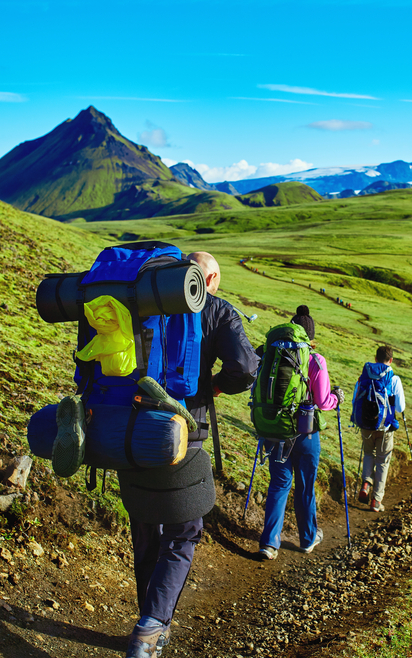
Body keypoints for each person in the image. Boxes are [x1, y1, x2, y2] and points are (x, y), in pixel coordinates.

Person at [124, 251, 259, 658]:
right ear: (211, 277)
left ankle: (149, 620)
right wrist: (213, 386)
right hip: (185, 434)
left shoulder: (143, 298)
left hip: (130, 432)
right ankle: (150, 629)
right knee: (183, 533)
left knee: (145, 530)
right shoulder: (217, 309)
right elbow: (246, 368)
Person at [258, 307, 344, 561]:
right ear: (310, 336)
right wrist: (336, 398)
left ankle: (269, 543)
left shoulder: (273, 354)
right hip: (306, 434)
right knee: (305, 487)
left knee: (279, 484)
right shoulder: (315, 360)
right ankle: (308, 538)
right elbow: (323, 401)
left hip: (274, 429)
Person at [352, 345, 406, 512]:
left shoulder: (364, 376)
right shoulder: (394, 379)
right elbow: (400, 407)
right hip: (385, 427)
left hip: (366, 424)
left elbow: (355, 399)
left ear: (375, 358)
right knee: (382, 461)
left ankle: (366, 483)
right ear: (391, 361)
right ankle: (376, 500)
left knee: (369, 453)